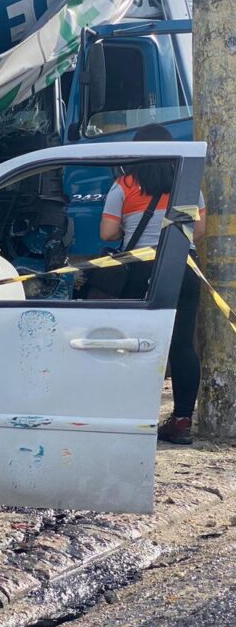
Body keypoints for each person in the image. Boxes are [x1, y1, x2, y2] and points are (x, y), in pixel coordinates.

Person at [99, 123, 206, 444]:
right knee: (182, 345)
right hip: (184, 267)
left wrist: (131, 227)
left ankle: (134, 418)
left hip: (140, 270)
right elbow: (199, 231)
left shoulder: (124, 184)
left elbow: (107, 233)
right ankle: (182, 420)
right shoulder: (187, 184)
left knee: (135, 344)